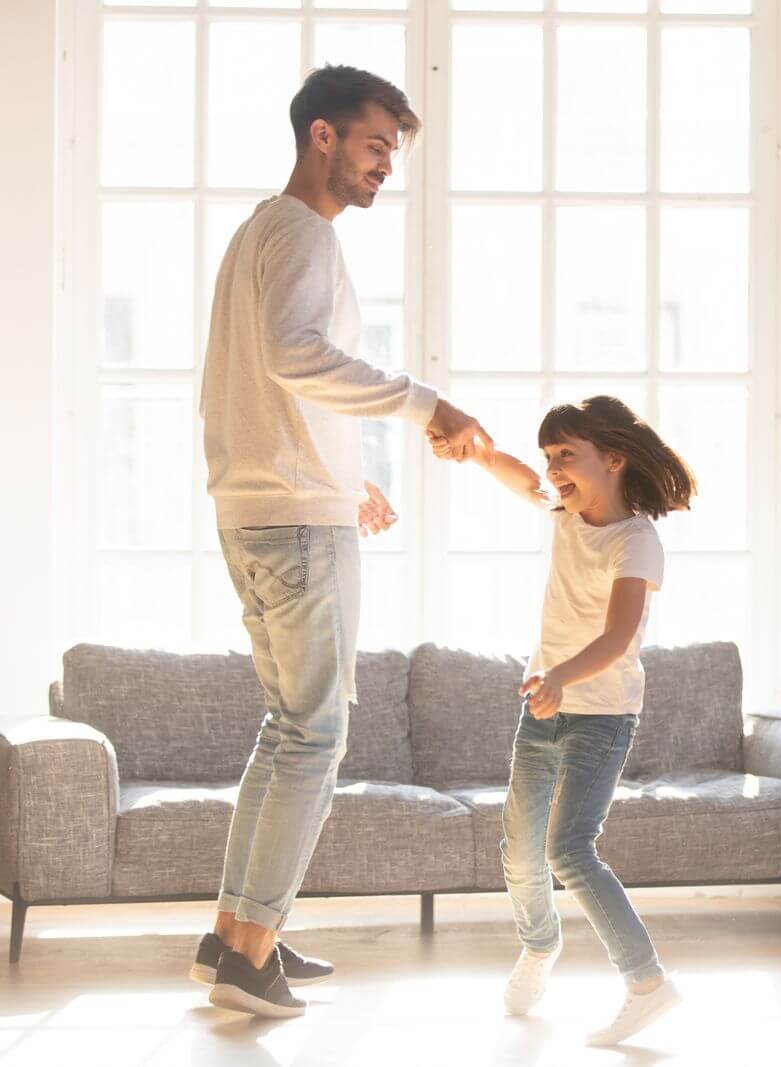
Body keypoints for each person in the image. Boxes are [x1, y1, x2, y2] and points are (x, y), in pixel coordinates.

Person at [195, 64, 491, 1019]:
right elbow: (294, 356)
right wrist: (424, 403)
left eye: (392, 153)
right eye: (373, 145)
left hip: (261, 504)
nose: (383, 167)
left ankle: (237, 937)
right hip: (293, 521)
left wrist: (340, 474)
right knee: (314, 737)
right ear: (321, 135)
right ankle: (251, 951)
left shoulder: (257, 234)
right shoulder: (304, 233)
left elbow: (261, 380)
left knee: (287, 733)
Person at [430, 395, 693, 1046]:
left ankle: (647, 983)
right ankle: (539, 945)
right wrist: (480, 451)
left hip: (600, 716)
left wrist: (557, 677)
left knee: (568, 848)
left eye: (565, 456)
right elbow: (518, 477)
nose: (552, 469)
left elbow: (618, 639)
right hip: (544, 708)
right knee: (519, 852)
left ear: (613, 458)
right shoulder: (565, 511)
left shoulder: (637, 540)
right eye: (550, 456)